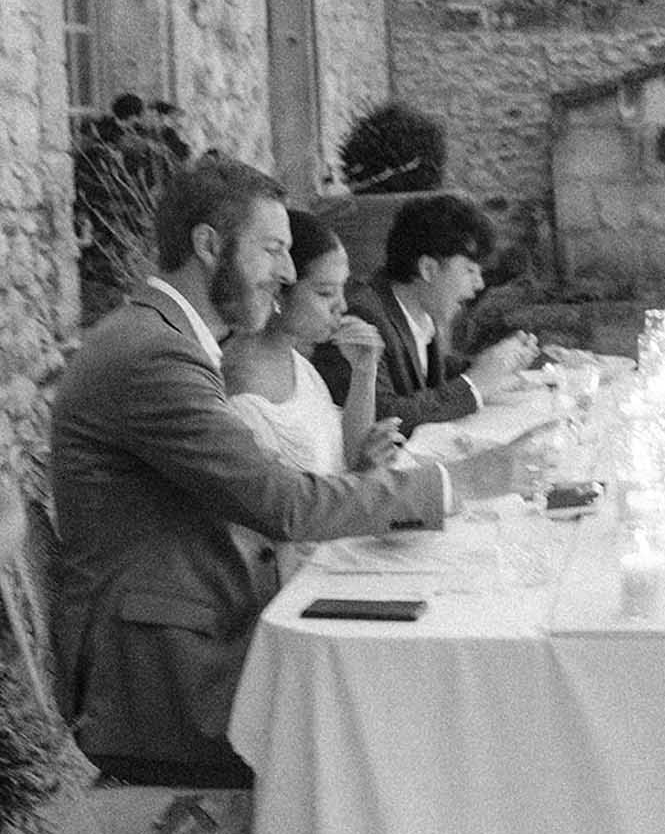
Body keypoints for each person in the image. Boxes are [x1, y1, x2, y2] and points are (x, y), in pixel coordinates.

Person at [49, 158, 492, 786]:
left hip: (203, 631)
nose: (286, 273)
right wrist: (452, 485)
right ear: (208, 246)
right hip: (161, 681)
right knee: (408, 715)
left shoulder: (164, 337)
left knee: (419, 660)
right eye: (272, 250)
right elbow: (281, 503)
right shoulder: (153, 355)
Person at [315, 194, 538, 436]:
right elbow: (384, 414)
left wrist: (499, 364)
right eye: (469, 270)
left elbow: (433, 373)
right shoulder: (364, 316)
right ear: (428, 269)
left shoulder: (419, 312)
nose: (479, 284)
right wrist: (474, 385)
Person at [222, 208, 397, 474]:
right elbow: (291, 508)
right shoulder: (243, 393)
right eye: (326, 293)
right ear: (279, 291)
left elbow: (347, 456)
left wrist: (364, 371)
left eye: (343, 289)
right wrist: (364, 476)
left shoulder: (296, 362)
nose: (343, 305)